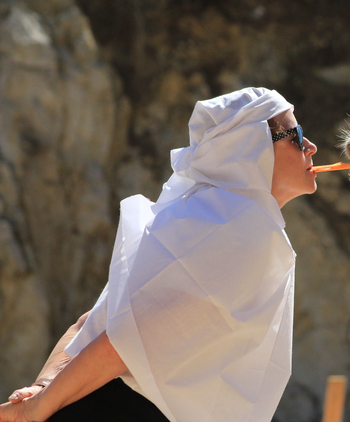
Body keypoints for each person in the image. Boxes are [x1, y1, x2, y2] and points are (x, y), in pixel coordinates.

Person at [0, 87, 318, 422]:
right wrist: (39, 407)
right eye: (295, 135)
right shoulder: (241, 229)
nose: (310, 146)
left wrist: (45, 387)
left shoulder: (197, 217)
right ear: (250, 149)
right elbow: (127, 342)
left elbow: (90, 322)